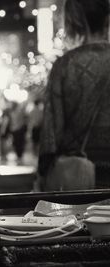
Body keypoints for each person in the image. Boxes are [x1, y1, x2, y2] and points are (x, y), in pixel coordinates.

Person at [38, 0, 110, 189]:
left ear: (72, 22)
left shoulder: (65, 66)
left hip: (79, 180)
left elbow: (50, 136)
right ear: (107, 20)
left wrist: (43, 175)